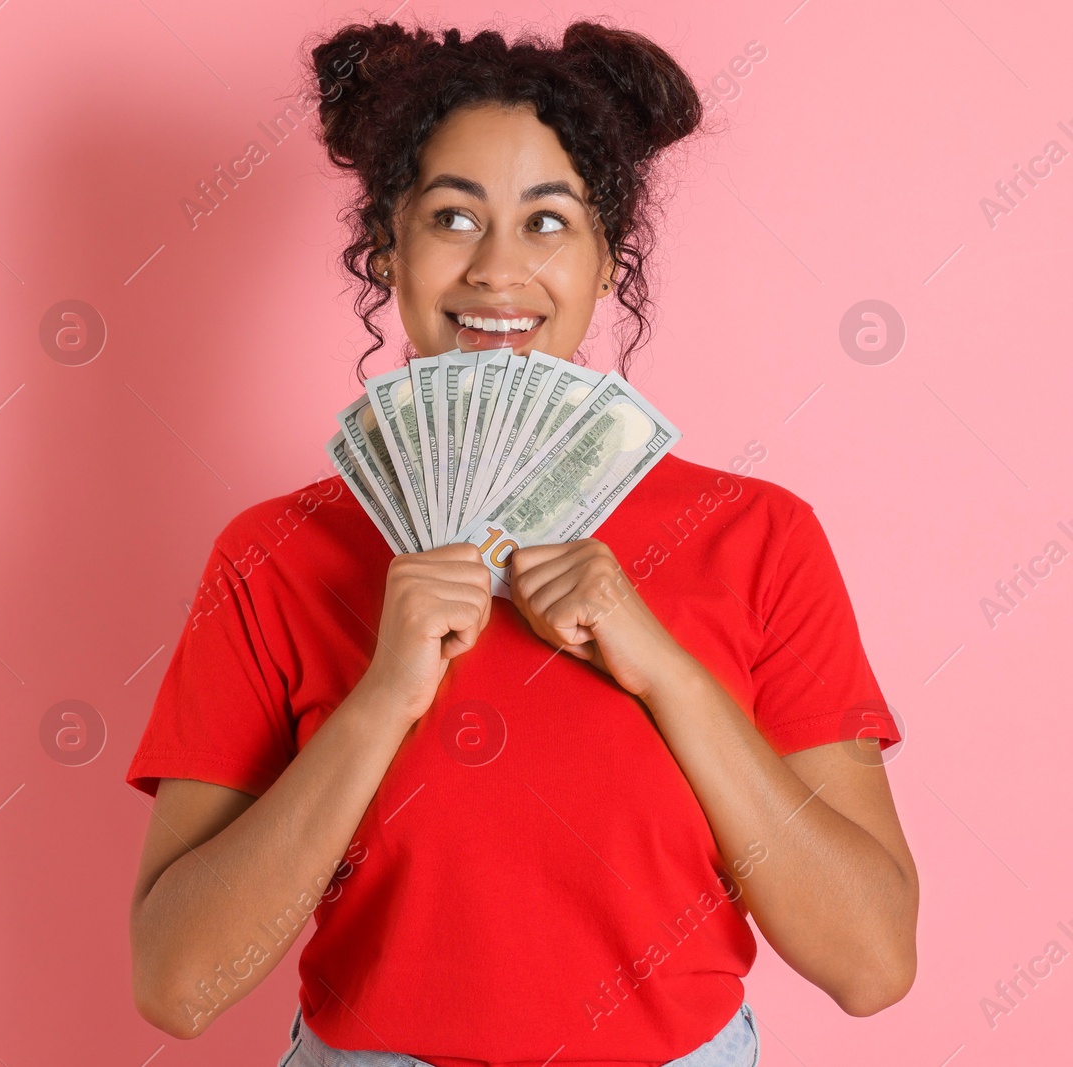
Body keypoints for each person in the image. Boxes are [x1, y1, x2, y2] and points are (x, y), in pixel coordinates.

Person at [125, 19, 918, 1067]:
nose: (498, 268)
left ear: (606, 265)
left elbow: (869, 961)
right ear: (386, 252)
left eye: (549, 223)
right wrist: (382, 696)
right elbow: (179, 985)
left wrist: (661, 667)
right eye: (452, 216)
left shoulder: (757, 537)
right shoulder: (272, 554)